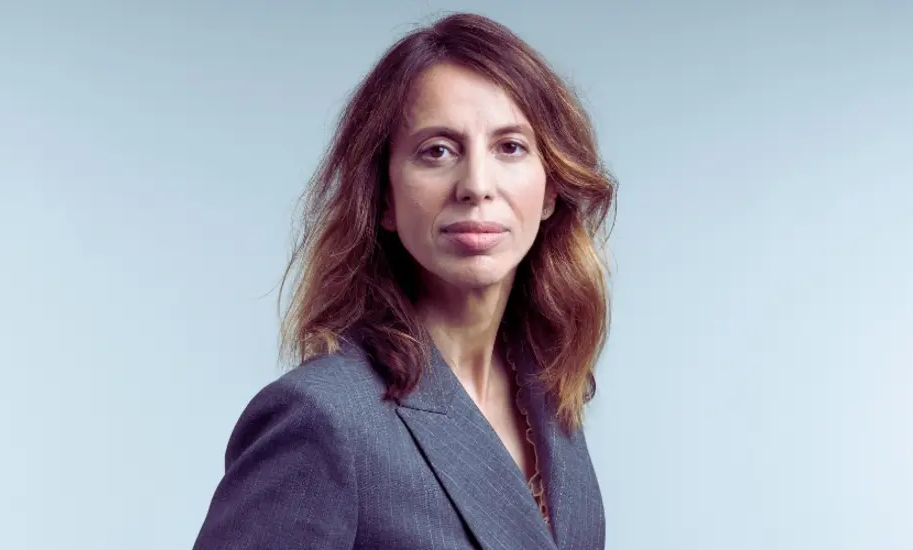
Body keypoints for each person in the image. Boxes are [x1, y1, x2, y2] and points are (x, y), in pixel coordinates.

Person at [193, 12, 616, 550]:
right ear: (384, 198)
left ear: (551, 188)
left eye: (510, 147)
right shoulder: (323, 418)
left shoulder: (551, 394)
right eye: (437, 150)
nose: (476, 185)